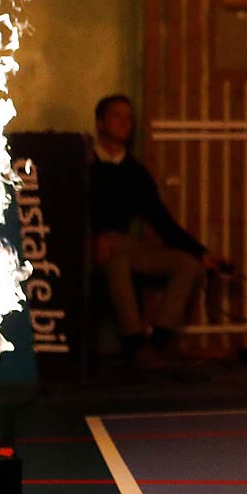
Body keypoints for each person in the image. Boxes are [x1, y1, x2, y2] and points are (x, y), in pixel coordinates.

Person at [89, 94, 225, 367]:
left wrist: (201, 253)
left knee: (187, 264)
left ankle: (160, 339)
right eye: (117, 116)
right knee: (116, 259)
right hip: (93, 245)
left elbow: (161, 221)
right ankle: (134, 342)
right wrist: (95, 235)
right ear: (101, 123)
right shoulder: (85, 164)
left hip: (124, 243)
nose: (125, 123)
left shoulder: (135, 172)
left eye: (129, 118)